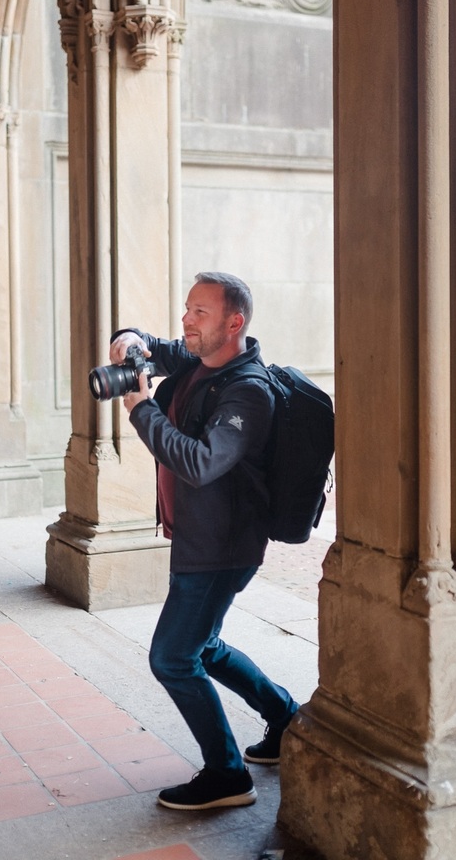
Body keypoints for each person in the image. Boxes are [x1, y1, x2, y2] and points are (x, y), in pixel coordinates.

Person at [109, 271, 299, 811]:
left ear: (233, 323)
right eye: (187, 309)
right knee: (203, 644)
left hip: (222, 548)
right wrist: (129, 339)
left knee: (173, 658)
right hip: (197, 537)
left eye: (200, 313)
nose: (186, 322)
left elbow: (200, 463)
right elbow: (148, 343)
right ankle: (286, 717)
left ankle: (227, 774)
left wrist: (140, 409)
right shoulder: (200, 357)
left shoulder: (248, 391)